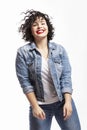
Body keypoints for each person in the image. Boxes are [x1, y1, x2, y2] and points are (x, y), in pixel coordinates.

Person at [15, 9, 81, 130]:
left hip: (62, 102)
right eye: (35, 24)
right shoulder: (23, 53)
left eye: (42, 23)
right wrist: (35, 106)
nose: (39, 26)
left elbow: (66, 77)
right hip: (40, 106)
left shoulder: (59, 50)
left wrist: (68, 102)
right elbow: (25, 82)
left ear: (48, 27)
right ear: (30, 30)